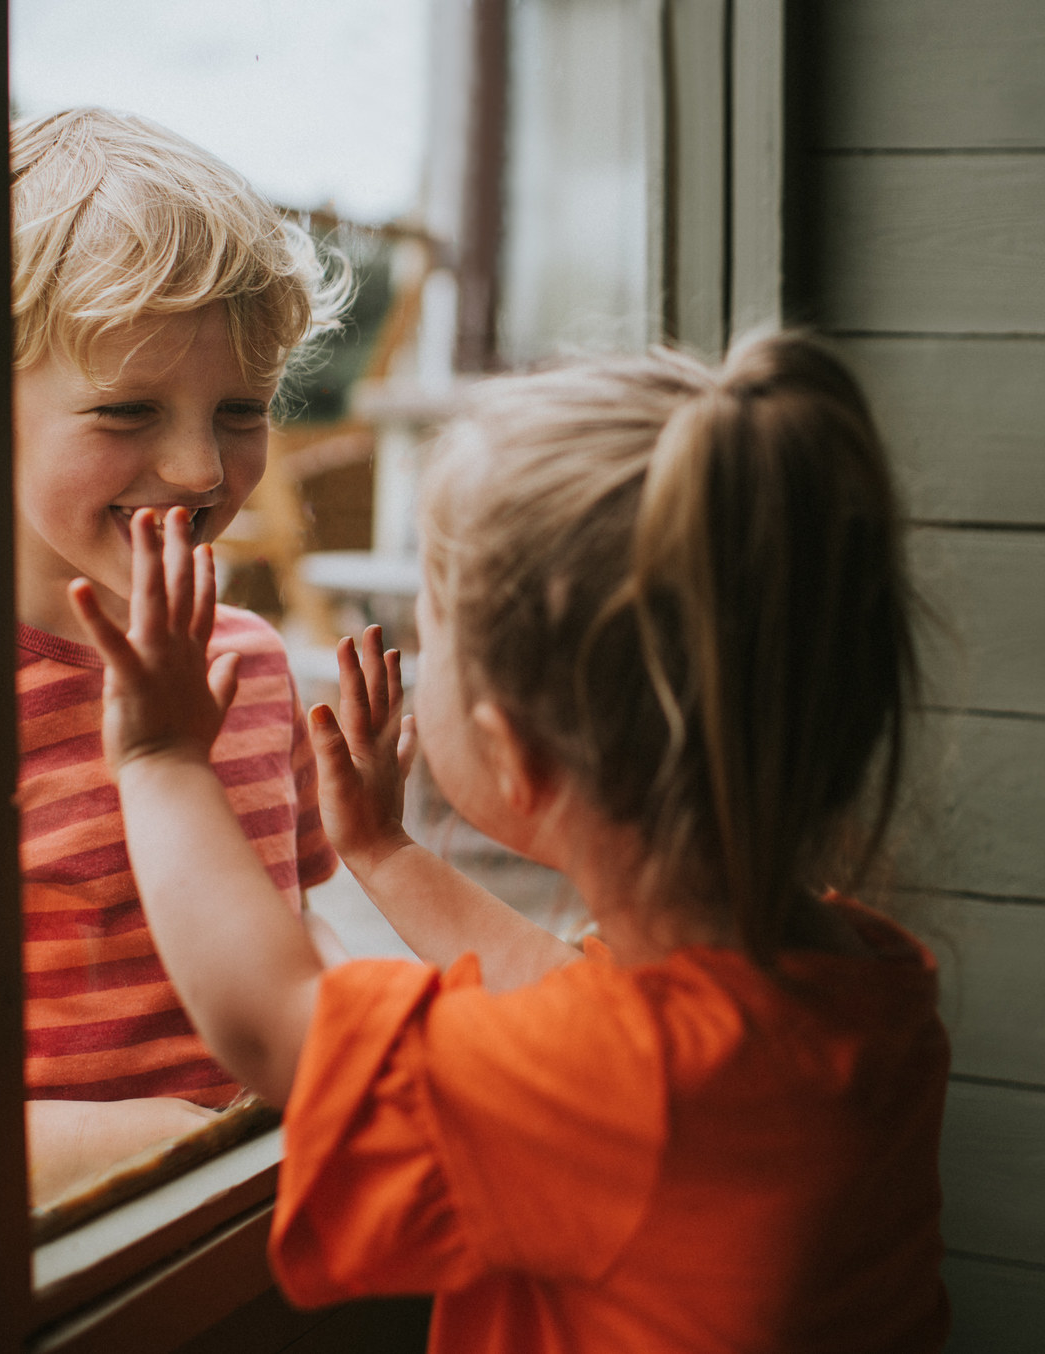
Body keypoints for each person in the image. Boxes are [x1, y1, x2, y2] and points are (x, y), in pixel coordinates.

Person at [73, 332, 950, 1351]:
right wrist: (389, 855)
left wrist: (162, 757)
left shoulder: (630, 1090)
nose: (415, 652)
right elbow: (556, 993)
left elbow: (275, 1025)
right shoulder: (853, 975)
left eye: (432, 635)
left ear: (515, 751)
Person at [0, 107, 350, 1201]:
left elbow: (295, 922)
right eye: (127, 410)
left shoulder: (254, 666)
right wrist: (145, 1148)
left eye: (241, 408)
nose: (198, 467)